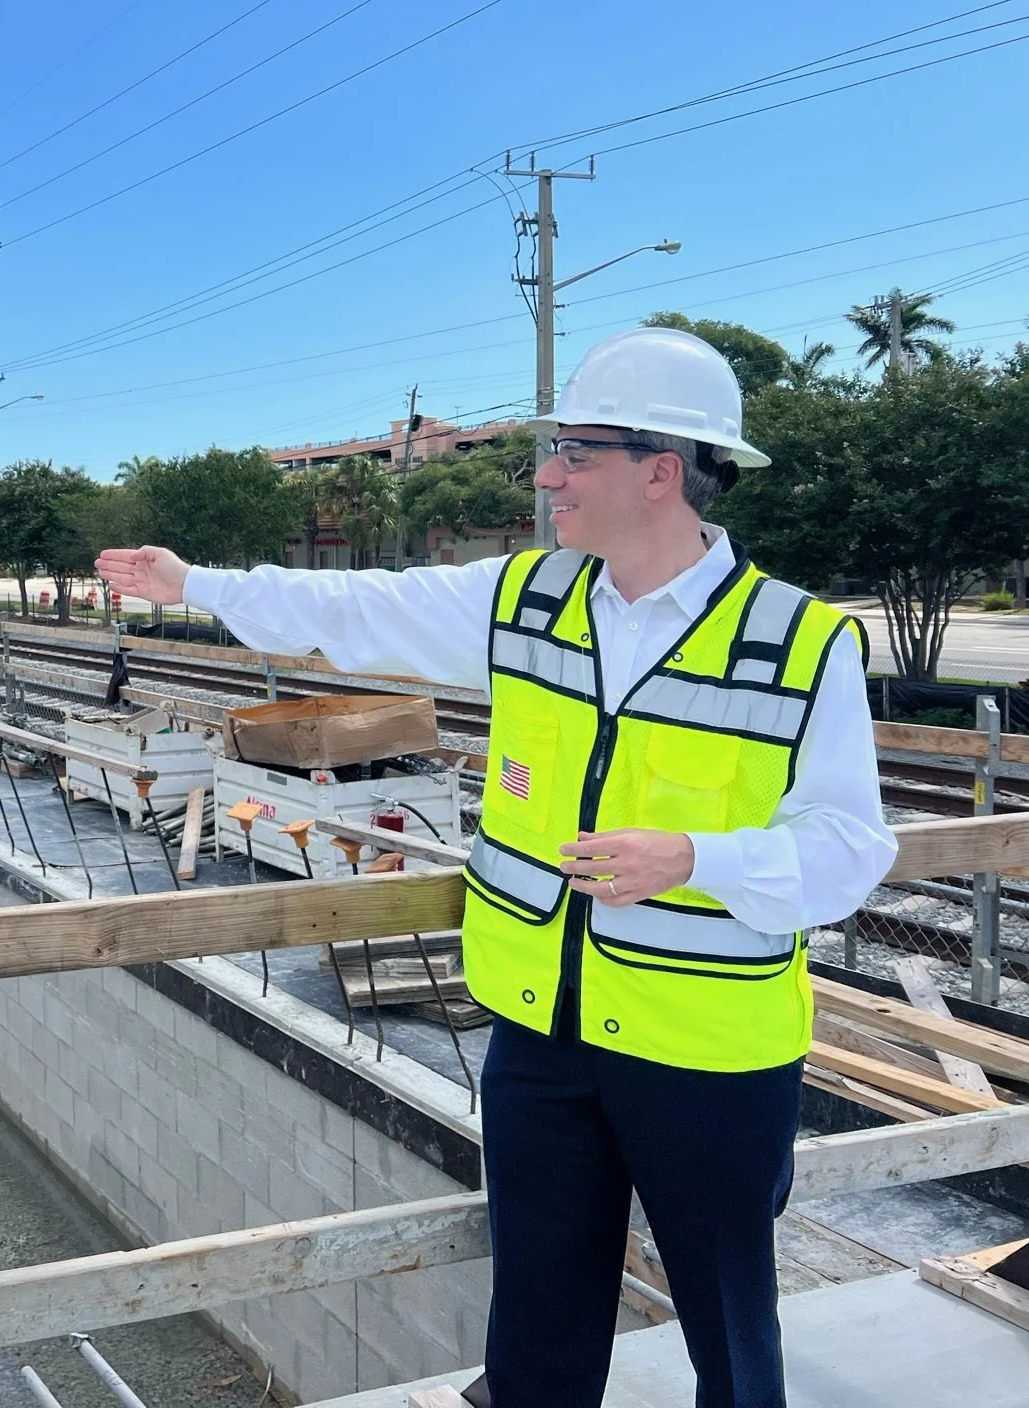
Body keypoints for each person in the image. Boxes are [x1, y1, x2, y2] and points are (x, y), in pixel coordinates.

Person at [97, 328, 897, 1408]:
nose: (545, 474)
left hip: (707, 1052)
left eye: (573, 451)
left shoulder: (799, 644)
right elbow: (352, 611)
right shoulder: (526, 599)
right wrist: (194, 581)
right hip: (539, 1038)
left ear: (658, 470)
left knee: (727, 1328)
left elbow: (850, 849)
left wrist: (697, 858)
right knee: (534, 1325)